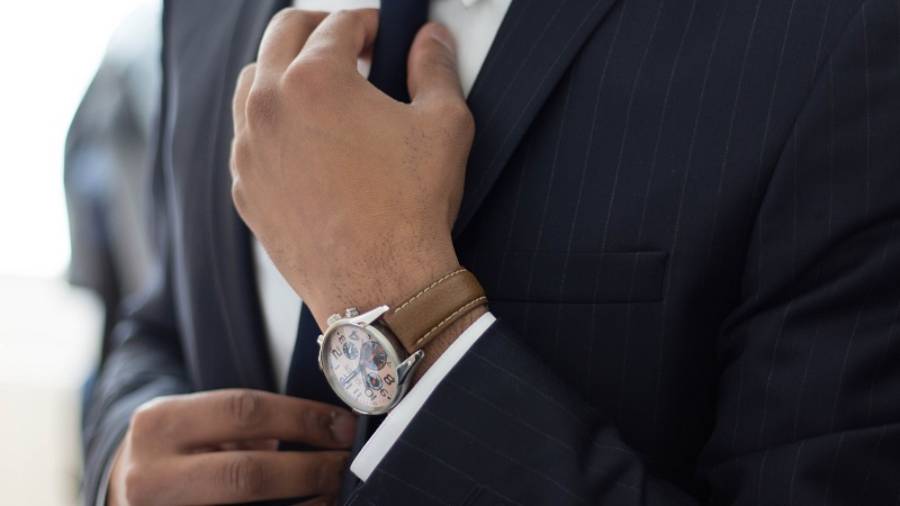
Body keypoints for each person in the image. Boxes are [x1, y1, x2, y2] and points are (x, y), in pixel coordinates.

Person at [82, 0, 900, 505]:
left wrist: (401, 302)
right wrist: (123, 465)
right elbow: (157, 320)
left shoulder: (837, 35)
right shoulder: (196, 11)